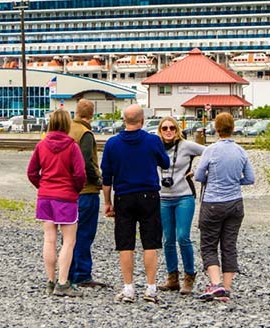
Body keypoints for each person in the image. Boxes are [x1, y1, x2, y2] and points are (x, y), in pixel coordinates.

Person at [101, 104, 170, 304]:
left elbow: (107, 177)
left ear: (124, 120)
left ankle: (129, 288)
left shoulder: (112, 144)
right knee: (150, 243)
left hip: (123, 196)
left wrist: (107, 201)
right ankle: (151, 288)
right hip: (149, 195)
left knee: (125, 244)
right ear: (142, 121)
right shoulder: (152, 141)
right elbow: (165, 163)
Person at [194, 112, 255, 303]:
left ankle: (215, 283)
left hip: (213, 202)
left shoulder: (211, 150)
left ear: (216, 128)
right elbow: (250, 178)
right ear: (233, 127)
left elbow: (198, 175)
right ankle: (227, 288)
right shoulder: (240, 151)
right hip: (235, 203)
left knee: (209, 244)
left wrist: (211, 179)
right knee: (229, 245)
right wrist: (235, 181)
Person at [27, 109, 87, 298]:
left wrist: (43, 186)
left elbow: (31, 172)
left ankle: (50, 281)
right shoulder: (72, 146)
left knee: (49, 239)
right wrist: (74, 190)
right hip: (66, 197)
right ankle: (63, 282)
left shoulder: (41, 145)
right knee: (68, 241)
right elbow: (80, 174)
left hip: (45, 197)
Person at [155, 116, 206, 295]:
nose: (168, 131)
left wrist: (200, 170)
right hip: (162, 197)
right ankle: (172, 277)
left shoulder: (186, 146)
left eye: (172, 128)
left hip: (183, 196)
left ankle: (189, 276)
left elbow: (211, 152)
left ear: (177, 130)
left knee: (183, 236)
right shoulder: (155, 146)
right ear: (160, 130)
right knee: (167, 239)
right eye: (164, 128)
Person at [67, 99, 107, 288]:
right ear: (91, 115)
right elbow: (86, 162)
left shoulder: (66, 129)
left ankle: (67, 270)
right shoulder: (85, 133)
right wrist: (98, 180)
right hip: (86, 190)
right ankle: (82, 273)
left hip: (67, 191)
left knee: (69, 234)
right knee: (85, 233)